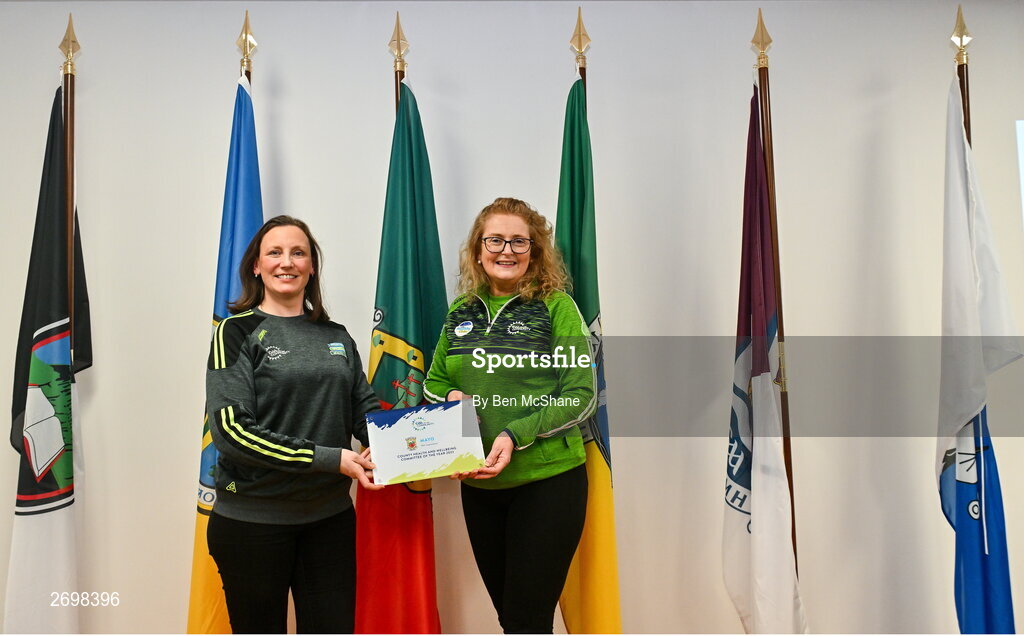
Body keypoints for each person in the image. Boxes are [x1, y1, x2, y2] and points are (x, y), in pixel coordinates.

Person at [424, 197, 596, 634]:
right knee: (512, 619)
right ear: (478, 250)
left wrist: (513, 434)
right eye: (495, 240)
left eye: (519, 242)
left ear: (535, 251)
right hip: (480, 485)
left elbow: (580, 395)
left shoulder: (556, 308)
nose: (506, 251)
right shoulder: (461, 312)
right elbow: (434, 381)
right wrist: (453, 395)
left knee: (526, 619)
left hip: (548, 482)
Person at [205, 215, 383, 634]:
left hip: (330, 521)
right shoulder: (236, 332)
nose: (287, 262)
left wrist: (435, 439)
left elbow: (366, 411)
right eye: (275, 252)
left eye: (298, 252)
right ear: (256, 266)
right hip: (253, 523)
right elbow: (231, 432)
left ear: (312, 266)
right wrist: (327, 459)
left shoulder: (335, 334)